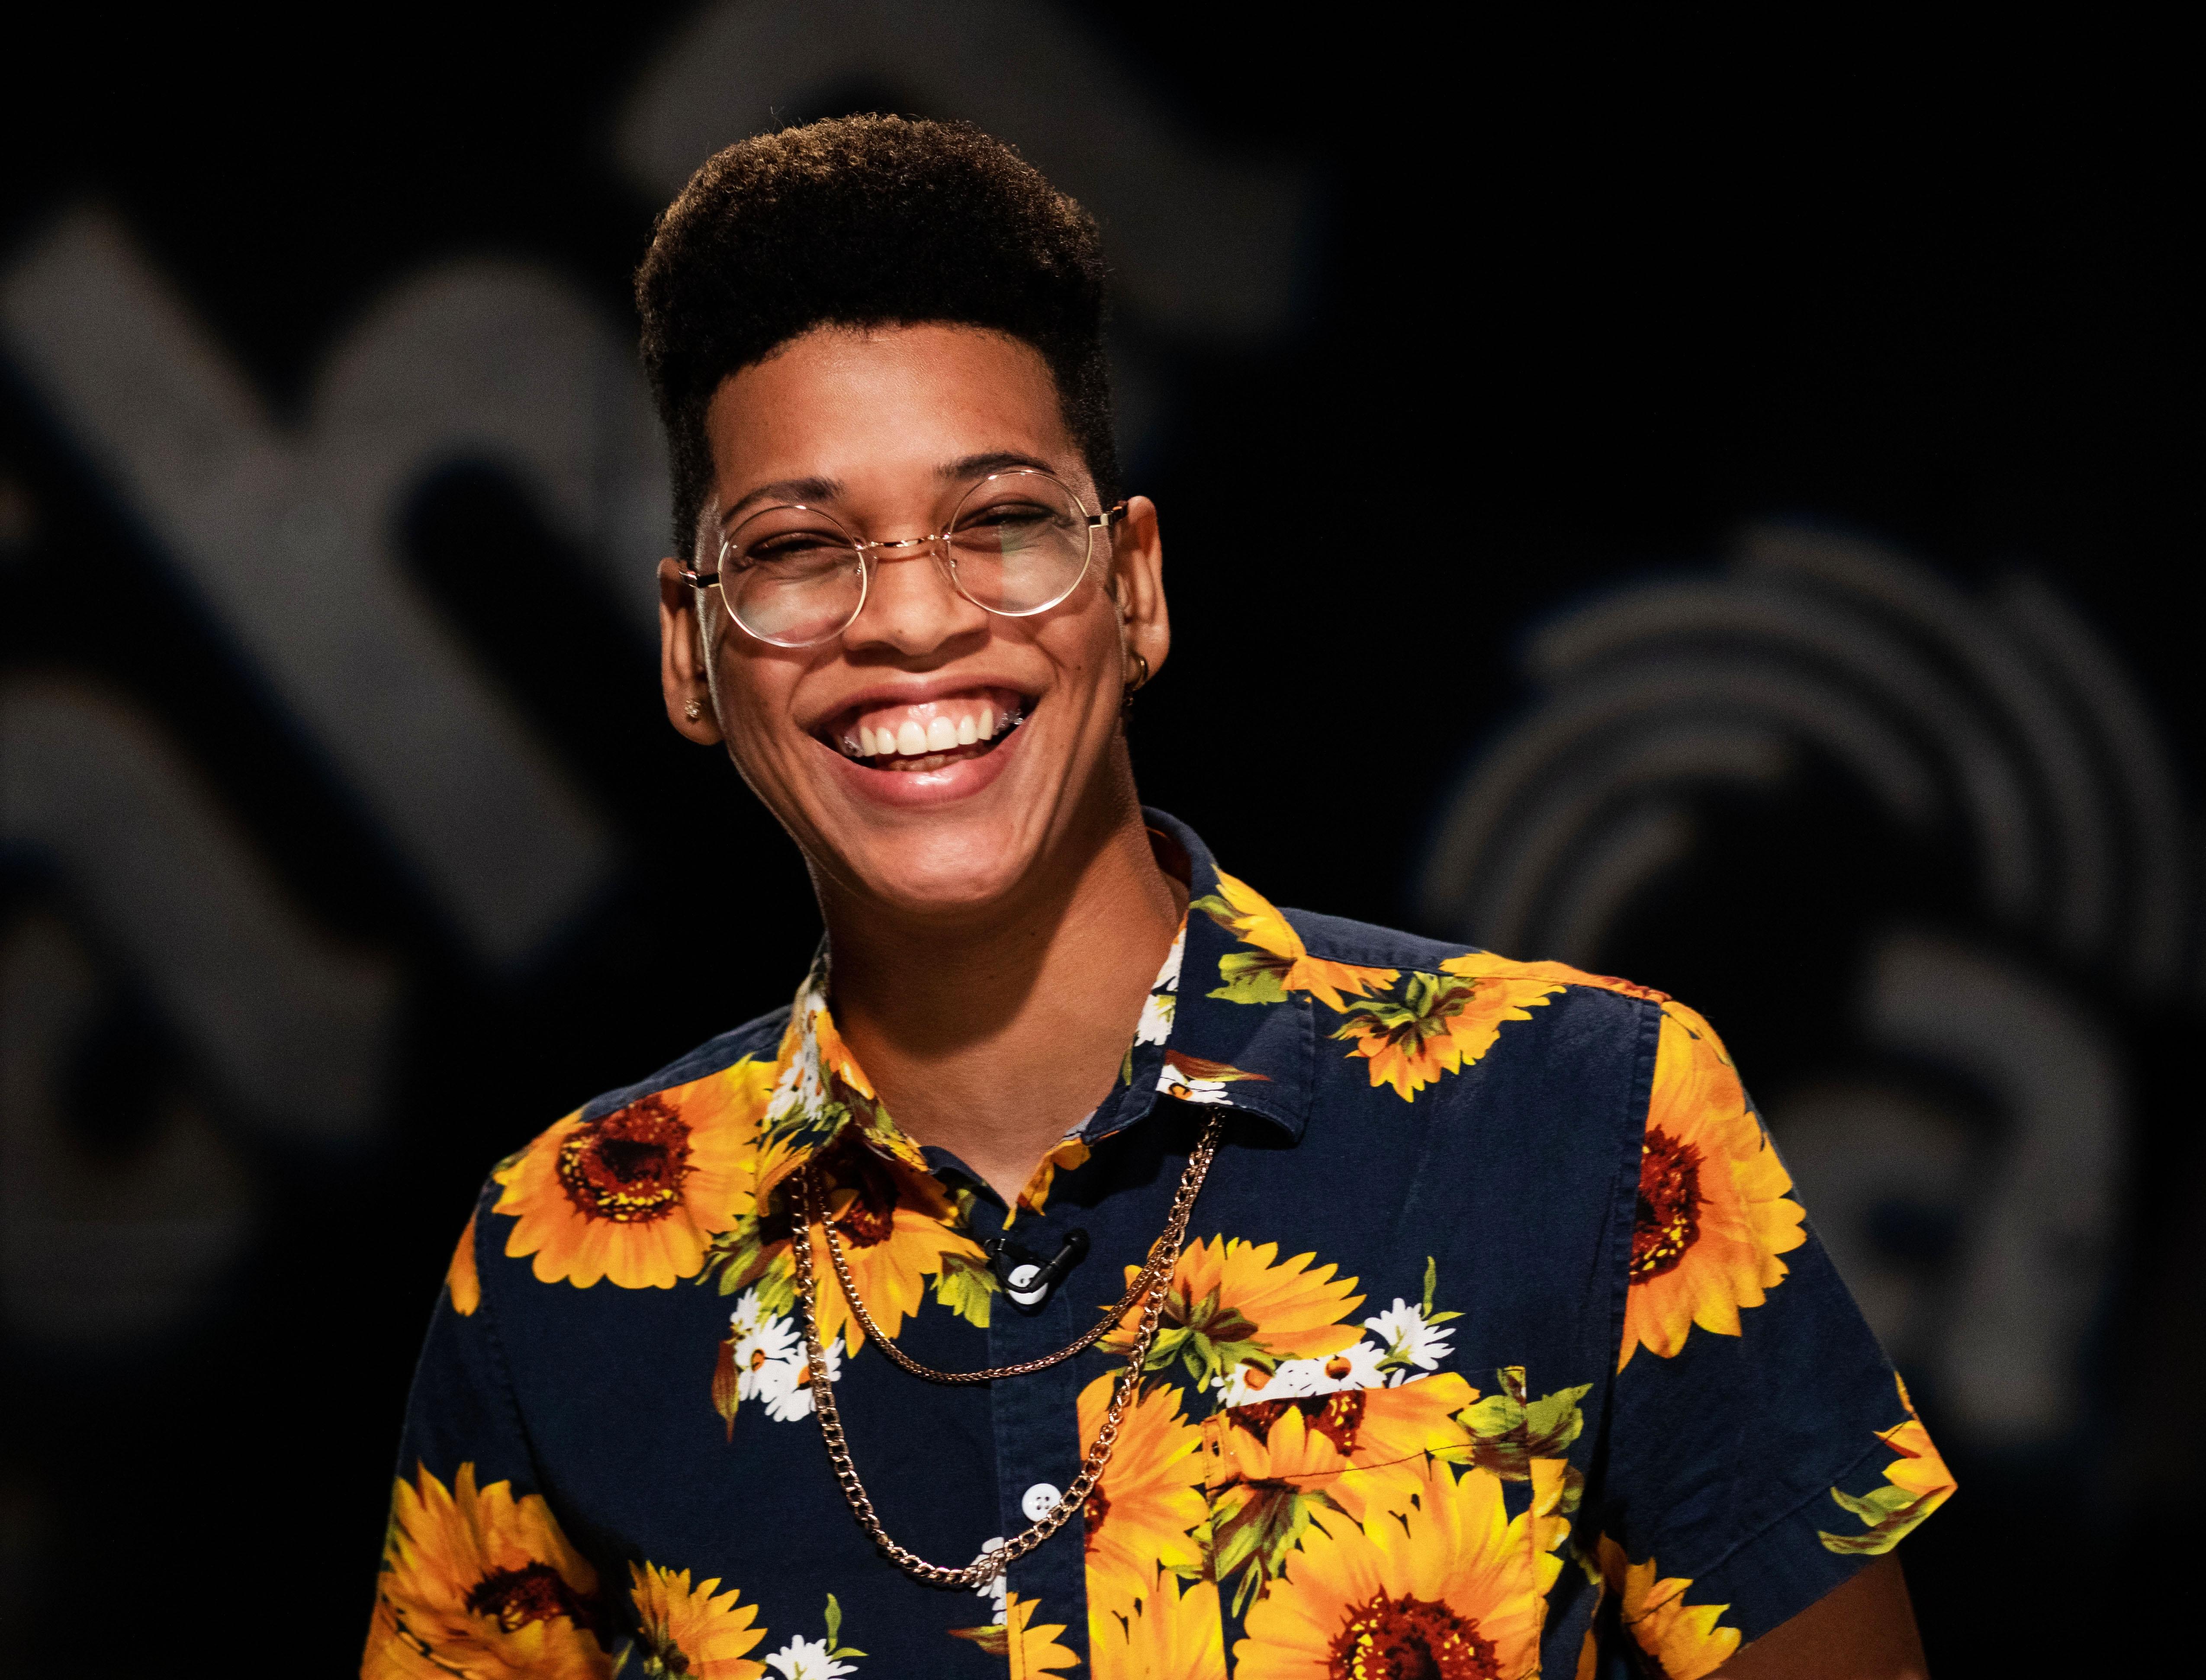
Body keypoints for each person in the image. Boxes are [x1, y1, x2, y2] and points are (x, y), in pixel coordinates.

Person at [362, 116, 1951, 1680]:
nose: (912, 618)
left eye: (997, 522)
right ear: (686, 650)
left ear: (1133, 586)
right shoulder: (555, 1259)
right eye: (796, 547)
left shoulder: (1590, 1122)